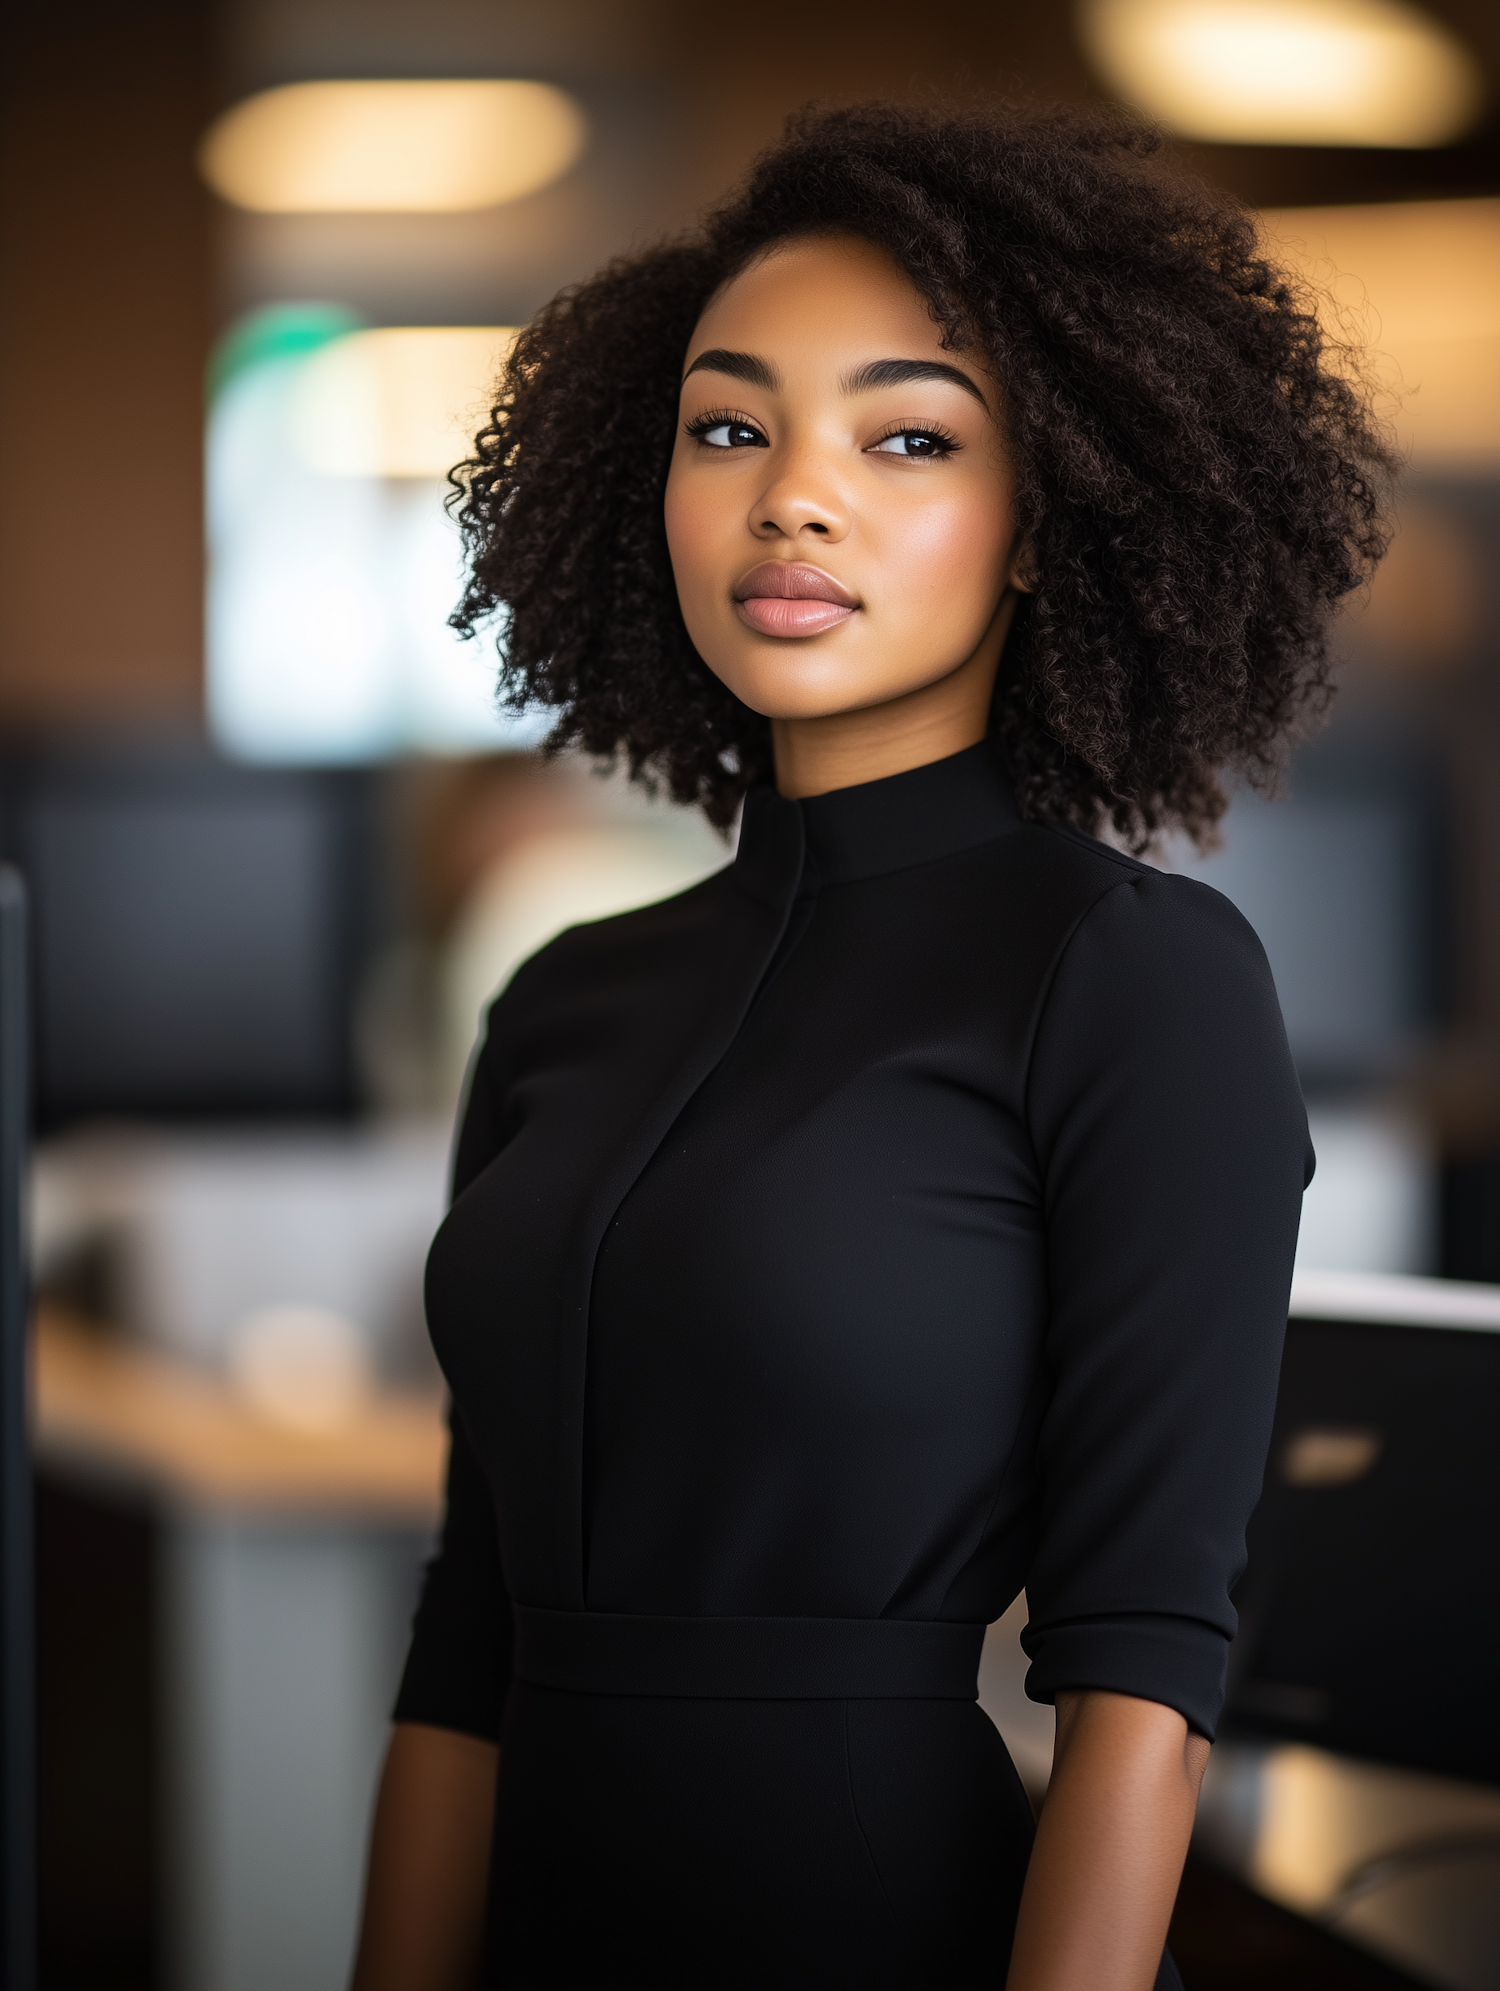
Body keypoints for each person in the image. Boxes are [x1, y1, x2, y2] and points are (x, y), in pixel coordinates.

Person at [350, 102, 1392, 1990]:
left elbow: (1143, 1660)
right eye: (729, 426)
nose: (789, 498)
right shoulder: (564, 999)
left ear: (1046, 519)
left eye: (907, 436)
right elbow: (466, 1629)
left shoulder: (1132, 977)